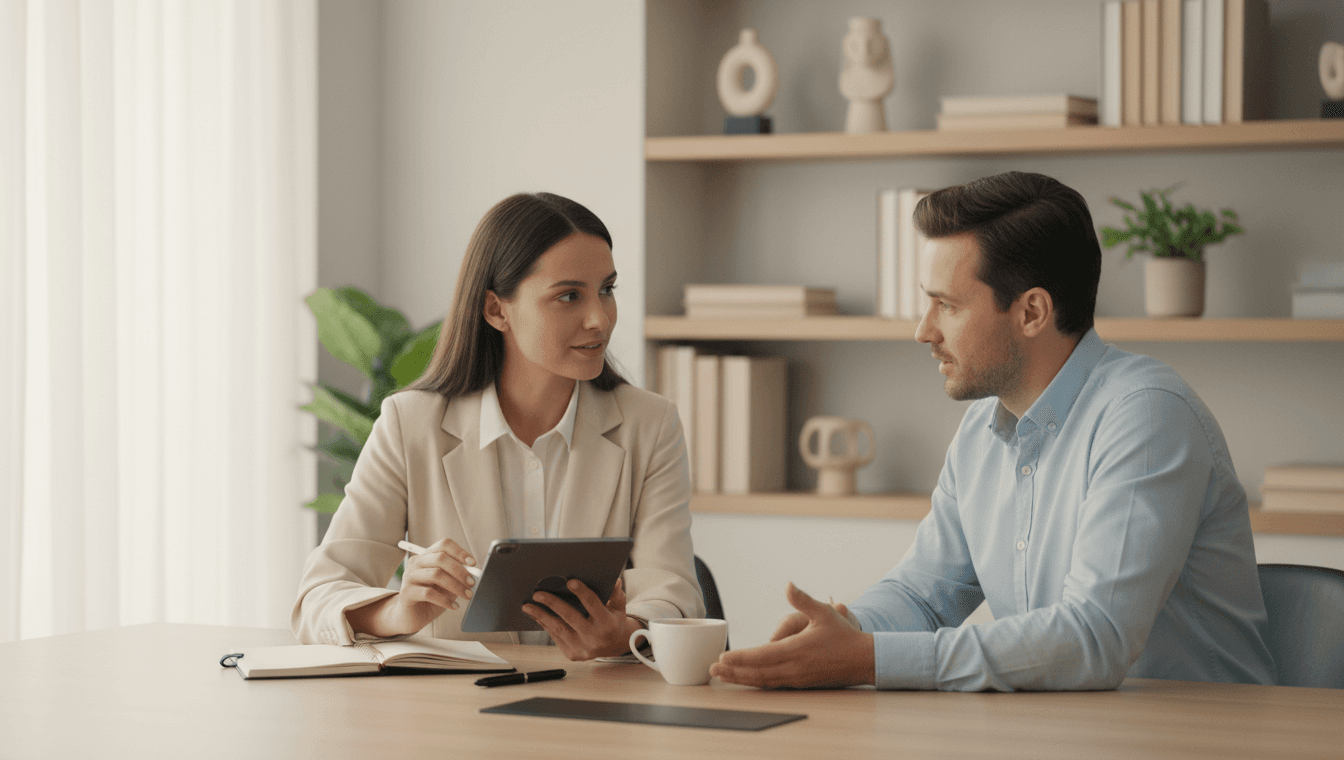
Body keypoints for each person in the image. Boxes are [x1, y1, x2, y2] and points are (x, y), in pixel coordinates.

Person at [710, 171, 1277, 691]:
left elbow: (1094, 638)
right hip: (1065, 739)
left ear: (1032, 312)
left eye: (946, 305)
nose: (922, 331)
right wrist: (846, 628)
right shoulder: (983, 427)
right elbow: (923, 594)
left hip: (1198, 744)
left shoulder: (1148, 417)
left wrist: (868, 658)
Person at [293, 192, 704, 660]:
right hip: (455, 714)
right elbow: (316, 600)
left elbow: (676, 596)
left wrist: (627, 632)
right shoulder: (411, 425)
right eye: (569, 295)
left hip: (595, 710)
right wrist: (399, 610)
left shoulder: (649, 425)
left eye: (606, 290)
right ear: (496, 310)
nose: (600, 319)